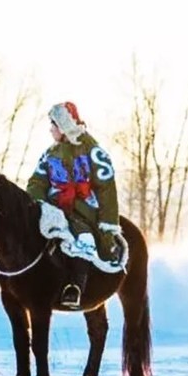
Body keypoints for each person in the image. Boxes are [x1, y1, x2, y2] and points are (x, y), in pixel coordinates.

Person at [26, 101, 121, 309]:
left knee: (81, 236)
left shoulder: (93, 151)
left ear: (64, 125)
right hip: (53, 207)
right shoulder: (50, 154)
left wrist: (108, 225)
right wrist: (37, 203)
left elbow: (106, 188)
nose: (50, 130)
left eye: (53, 125)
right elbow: (36, 182)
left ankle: (75, 286)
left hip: (84, 209)